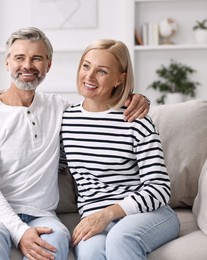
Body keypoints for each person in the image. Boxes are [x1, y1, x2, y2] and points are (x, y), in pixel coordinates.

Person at [0, 28, 150, 260]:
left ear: (48, 65)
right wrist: (20, 232)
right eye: (20, 57)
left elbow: (97, 108)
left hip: (42, 214)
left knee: (58, 238)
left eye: (37, 58)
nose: (27, 66)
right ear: (7, 63)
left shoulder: (60, 109)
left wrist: (136, 98)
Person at [60, 39, 180, 260]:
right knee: (89, 253)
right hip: (93, 219)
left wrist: (107, 214)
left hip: (147, 214)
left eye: (102, 71)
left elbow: (160, 188)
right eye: (86, 66)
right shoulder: (65, 120)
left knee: (120, 238)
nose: (89, 76)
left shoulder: (135, 119)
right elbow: (51, 165)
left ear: (119, 78)